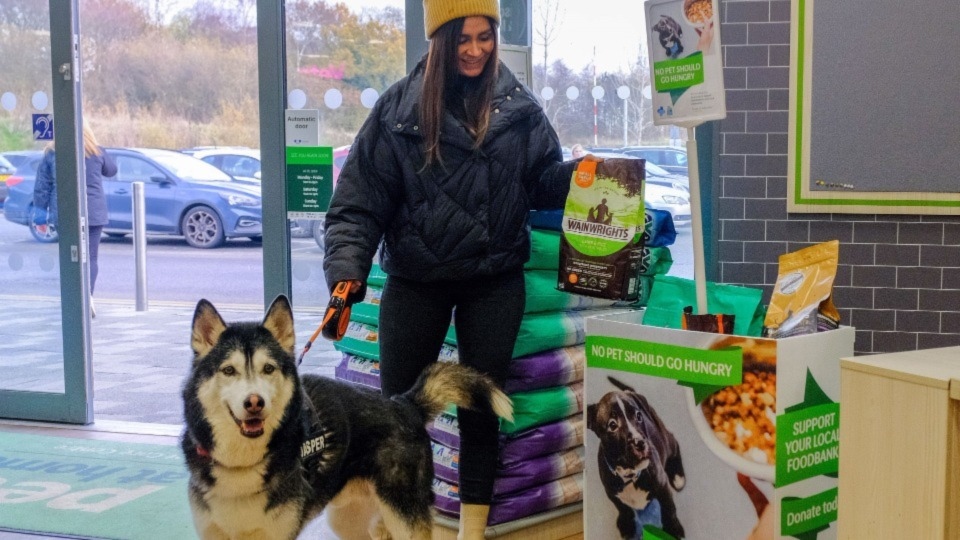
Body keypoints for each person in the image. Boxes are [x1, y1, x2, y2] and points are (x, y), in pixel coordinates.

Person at [322, 1, 579, 537]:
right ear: (439, 40)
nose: (476, 49)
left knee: (480, 412)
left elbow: (543, 184)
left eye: (485, 37)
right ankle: (390, 526)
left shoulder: (518, 108)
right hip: (417, 283)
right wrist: (346, 275)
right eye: (463, 37)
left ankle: (471, 532)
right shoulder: (399, 110)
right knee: (398, 417)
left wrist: (585, 175)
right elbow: (358, 203)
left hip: (494, 282)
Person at [33, 124, 117, 317]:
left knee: (70, 258)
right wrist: (98, 148)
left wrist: (39, 215)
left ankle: (74, 300)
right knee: (91, 258)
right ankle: (87, 297)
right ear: (88, 132)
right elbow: (112, 170)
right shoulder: (96, 152)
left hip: (65, 212)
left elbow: (42, 186)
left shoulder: (53, 153)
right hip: (94, 213)